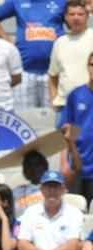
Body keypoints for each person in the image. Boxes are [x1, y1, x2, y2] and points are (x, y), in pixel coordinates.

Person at [16, 170, 84, 250]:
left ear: (63, 189)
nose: (52, 191)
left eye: (56, 187)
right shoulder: (31, 212)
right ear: (41, 189)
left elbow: (74, 245)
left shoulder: (74, 213)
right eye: (48, 187)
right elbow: (22, 244)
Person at [0, 0, 63, 109]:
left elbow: (77, 16)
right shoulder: (16, 2)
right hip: (25, 74)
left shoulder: (61, 2)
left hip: (54, 75)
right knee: (24, 120)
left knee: (55, 119)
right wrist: (7, 40)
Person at [60, 51, 93, 200]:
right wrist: (64, 163)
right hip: (78, 167)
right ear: (88, 67)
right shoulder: (76, 95)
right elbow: (65, 131)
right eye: (92, 64)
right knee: (78, 215)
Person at [49, 1, 93, 110]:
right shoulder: (59, 43)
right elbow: (52, 75)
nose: (76, 18)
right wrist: (55, 100)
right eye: (72, 14)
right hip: (65, 106)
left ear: (87, 17)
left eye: (80, 14)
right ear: (66, 17)